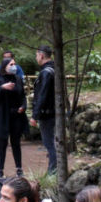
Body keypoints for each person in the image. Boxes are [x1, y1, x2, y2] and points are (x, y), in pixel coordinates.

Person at [0, 56, 27, 178]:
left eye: (14, 64)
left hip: (16, 115)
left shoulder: (18, 79)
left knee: (16, 143)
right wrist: (2, 88)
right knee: (2, 143)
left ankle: (19, 168)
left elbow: (23, 95)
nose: (14, 66)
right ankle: (0, 170)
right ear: (4, 67)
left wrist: (24, 106)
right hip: (3, 116)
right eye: (11, 64)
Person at [30, 45, 58, 173]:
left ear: (41, 55)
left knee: (49, 143)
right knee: (52, 142)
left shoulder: (46, 73)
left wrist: (35, 115)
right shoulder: (55, 70)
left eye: (36, 55)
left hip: (47, 113)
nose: (36, 58)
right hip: (55, 111)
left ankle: (53, 171)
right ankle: (55, 169)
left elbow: (42, 95)